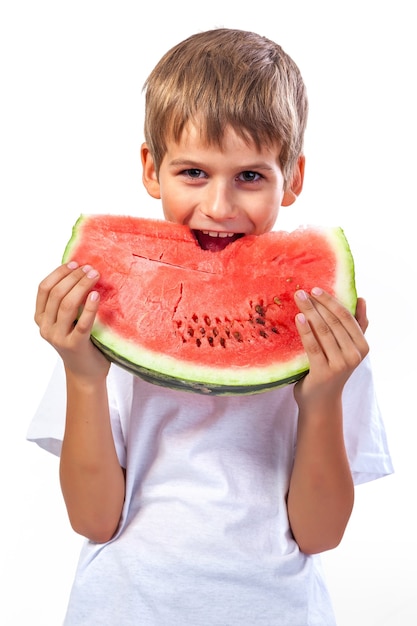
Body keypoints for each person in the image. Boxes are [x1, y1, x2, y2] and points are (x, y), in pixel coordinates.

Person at [27, 27, 393, 625]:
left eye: (250, 176)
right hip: (123, 608)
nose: (219, 206)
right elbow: (93, 520)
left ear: (293, 178)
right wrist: (84, 377)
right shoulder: (105, 318)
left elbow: (320, 534)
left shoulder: (326, 335)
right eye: (193, 172)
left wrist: (322, 398)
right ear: (151, 169)